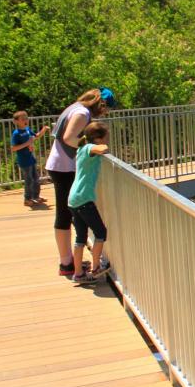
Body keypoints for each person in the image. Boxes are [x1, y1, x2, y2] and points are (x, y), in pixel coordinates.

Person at [46, 87, 116, 276]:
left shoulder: (76, 107)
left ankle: (69, 261)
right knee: (64, 215)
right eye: (106, 109)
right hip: (63, 167)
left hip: (60, 165)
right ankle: (66, 264)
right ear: (101, 104)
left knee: (68, 214)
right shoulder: (82, 112)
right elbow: (69, 138)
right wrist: (90, 148)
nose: (105, 112)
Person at [68, 121, 111, 284]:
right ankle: (96, 268)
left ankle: (78, 273)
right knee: (101, 232)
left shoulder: (80, 148)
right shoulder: (87, 148)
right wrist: (102, 146)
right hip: (84, 198)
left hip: (74, 199)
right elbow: (101, 149)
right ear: (98, 138)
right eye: (104, 138)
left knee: (81, 237)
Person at [10, 111, 49, 207]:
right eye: (22, 119)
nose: (25, 120)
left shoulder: (27, 129)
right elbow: (13, 148)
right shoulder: (16, 133)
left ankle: (36, 197)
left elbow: (35, 136)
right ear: (16, 122)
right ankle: (27, 199)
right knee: (29, 180)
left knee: (36, 178)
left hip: (31, 158)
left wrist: (43, 130)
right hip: (24, 159)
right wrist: (27, 143)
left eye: (26, 118)